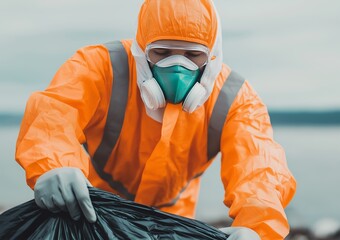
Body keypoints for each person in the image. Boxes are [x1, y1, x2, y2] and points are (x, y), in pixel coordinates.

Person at [15, 0, 296, 239]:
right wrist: (53, 165)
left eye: (193, 55)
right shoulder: (99, 68)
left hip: (171, 220)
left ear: (212, 57)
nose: (177, 66)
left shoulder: (234, 98)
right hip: (89, 209)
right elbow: (56, 111)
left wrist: (256, 228)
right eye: (161, 53)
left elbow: (259, 164)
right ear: (141, 50)